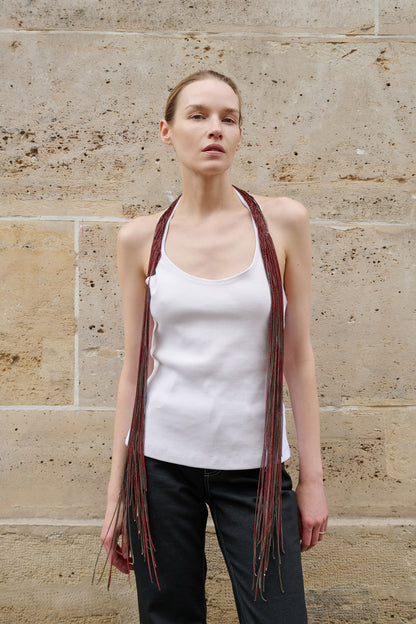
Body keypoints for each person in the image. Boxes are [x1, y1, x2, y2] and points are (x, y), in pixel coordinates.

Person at [100, 69, 328, 623]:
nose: (215, 129)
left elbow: (298, 359)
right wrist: (115, 495)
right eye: (198, 116)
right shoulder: (140, 238)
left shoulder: (283, 223)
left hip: (255, 468)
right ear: (167, 131)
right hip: (159, 468)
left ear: (240, 135)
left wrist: (314, 481)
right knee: (170, 616)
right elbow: (134, 371)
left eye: (229, 118)